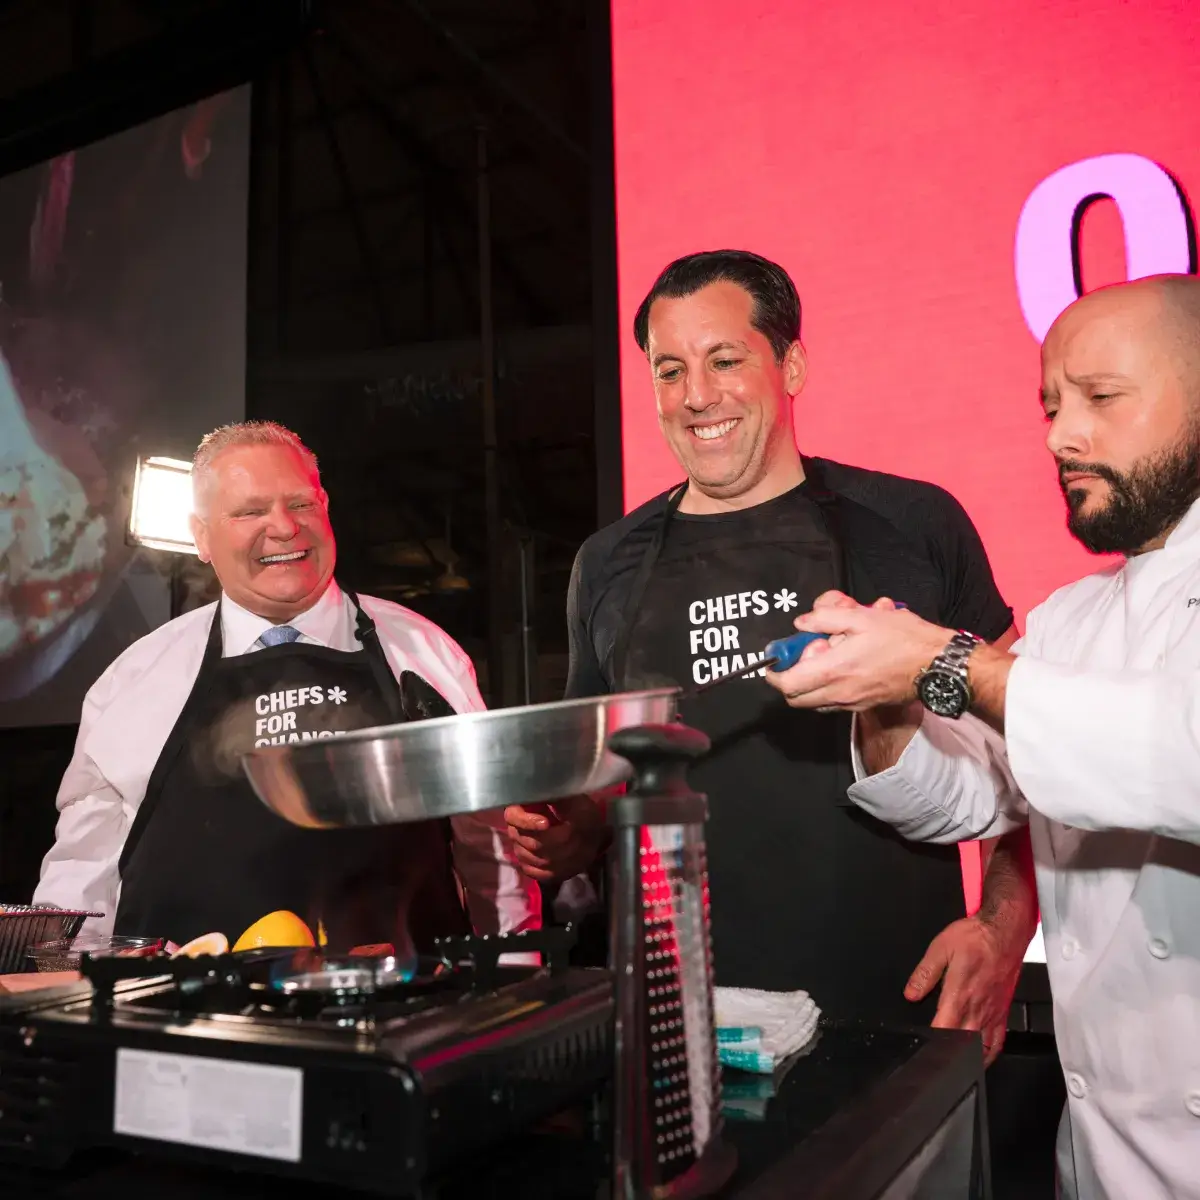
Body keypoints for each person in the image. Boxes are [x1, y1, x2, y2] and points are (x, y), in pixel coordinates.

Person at [505, 250, 1037, 1050]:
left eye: (725, 361)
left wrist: (1001, 928)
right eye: (669, 370)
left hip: (893, 1006)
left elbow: (1032, 756)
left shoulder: (914, 524)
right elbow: (602, 791)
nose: (696, 397)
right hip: (677, 1027)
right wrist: (565, 834)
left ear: (791, 364)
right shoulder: (607, 562)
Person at [763, 274, 1200, 1199]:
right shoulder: (1075, 618)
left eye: (1101, 399)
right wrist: (881, 695)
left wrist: (945, 663)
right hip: (1103, 1159)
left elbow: (1179, 757)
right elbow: (972, 795)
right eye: (1050, 405)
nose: (1058, 436)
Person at [35, 420, 540, 955]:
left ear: (325, 507)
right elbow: (81, 878)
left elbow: (492, 848)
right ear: (201, 536)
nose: (283, 528)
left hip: (401, 1017)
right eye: (250, 512)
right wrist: (65, 1006)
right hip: (180, 1024)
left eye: (300, 504)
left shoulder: (422, 650)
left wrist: (515, 978)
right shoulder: (135, 680)